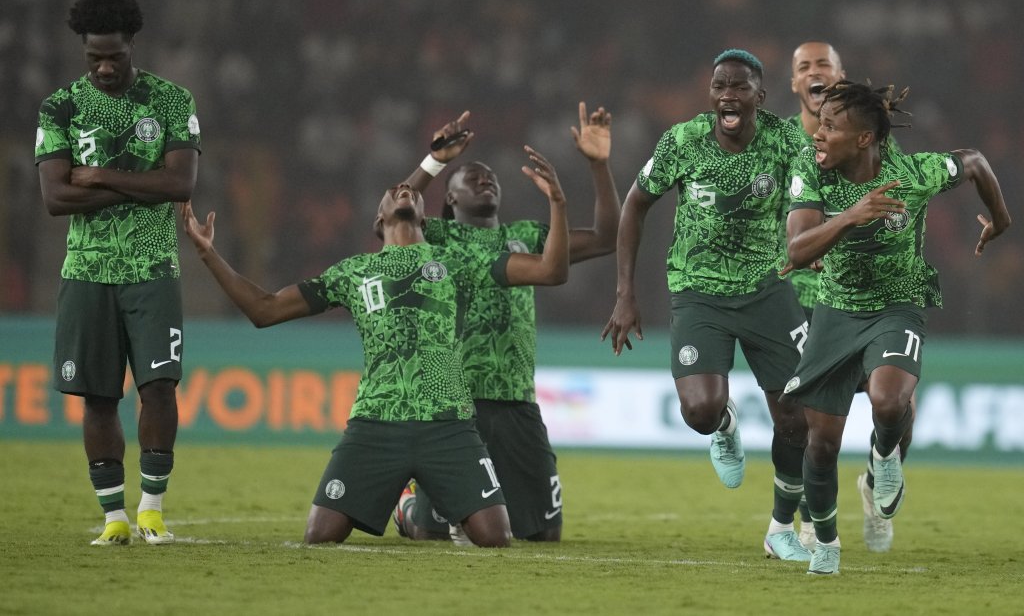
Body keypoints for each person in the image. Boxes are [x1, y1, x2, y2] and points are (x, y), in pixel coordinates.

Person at [180, 145, 571, 547]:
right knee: (320, 536)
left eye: (412, 191)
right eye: (393, 191)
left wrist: (557, 204)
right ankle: (406, 505)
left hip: (449, 423)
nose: (405, 190)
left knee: (496, 537)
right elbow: (265, 309)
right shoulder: (353, 273)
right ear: (379, 218)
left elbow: (550, 270)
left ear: (425, 216)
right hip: (376, 422)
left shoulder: (459, 262)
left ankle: (414, 506)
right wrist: (209, 254)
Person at [783, 81, 1010, 575]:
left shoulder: (911, 174)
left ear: (863, 139)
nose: (817, 134)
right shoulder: (810, 168)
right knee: (820, 444)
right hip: (835, 310)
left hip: (897, 307)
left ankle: (883, 458)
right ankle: (826, 543)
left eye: (830, 127)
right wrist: (851, 216)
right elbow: (797, 251)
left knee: (889, 402)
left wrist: (1001, 219)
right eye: (820, 123)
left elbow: (974, 162)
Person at [602, 49, 812, 562]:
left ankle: (781, 528)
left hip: (768, 289)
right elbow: (635, 204)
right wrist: (625, 294)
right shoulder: (682, 141)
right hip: (698, 292)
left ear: (760, 97)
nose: (728, 95)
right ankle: (723, 425)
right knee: (699, 412)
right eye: (720, 86)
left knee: (795, 418)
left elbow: (815, 195)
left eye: (740, 87)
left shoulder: (787, 142)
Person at [392, 102, 620, 543]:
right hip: (454, 397)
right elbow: (388, 217)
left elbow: (606, 238)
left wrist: (598, 165)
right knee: (429, 532)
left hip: (517, 398)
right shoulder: (434, 236)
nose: (486, 179)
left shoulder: (528, 236)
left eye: (491, 177)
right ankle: (407, 506)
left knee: (544, 534)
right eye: (472, 177)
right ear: (451, 198)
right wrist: (434, 162)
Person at [34, 0, 201, 546]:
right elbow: (56, 198)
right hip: (86, 271)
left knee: (160, 388)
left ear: (132, 45)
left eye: (114, 57)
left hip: (152, 268)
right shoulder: (60, 108)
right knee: (99, 397)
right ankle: (114, 519)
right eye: (94, 58)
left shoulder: (171, 100)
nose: (104, 68)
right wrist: (139, 185)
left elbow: (180, 184)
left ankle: (151, 511)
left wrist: (100, 176)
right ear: (83, 51)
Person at [787, 42, 912, 553]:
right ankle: (808, 522)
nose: (814, 72)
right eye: (804, 66)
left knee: (897, 404)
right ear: (794, 83)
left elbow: (899, 197)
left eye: (824, 64)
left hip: (867, 293)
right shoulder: (781, 141)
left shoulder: (868, 139)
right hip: (802, 298)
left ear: (840, 77)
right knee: (811, 425)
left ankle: (877, 483)